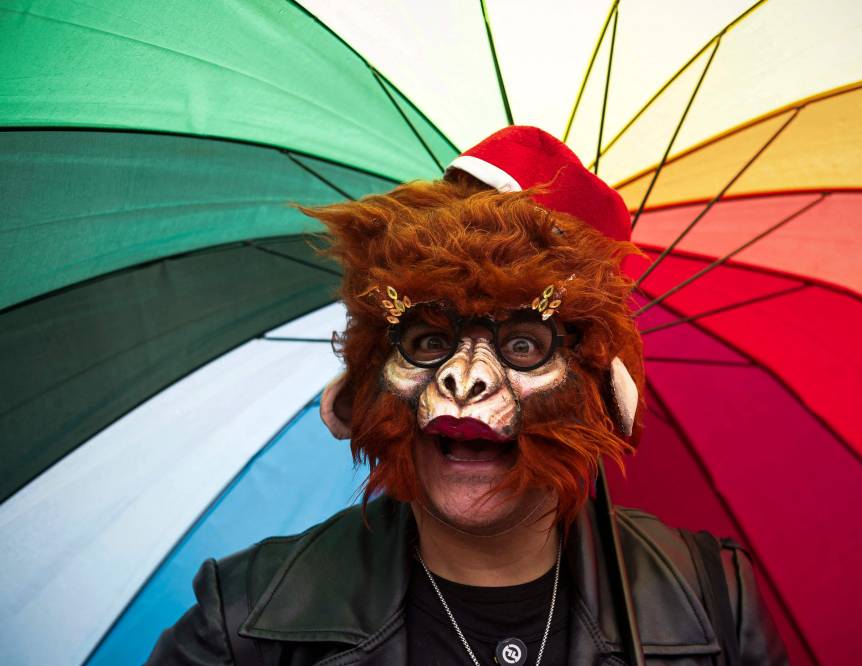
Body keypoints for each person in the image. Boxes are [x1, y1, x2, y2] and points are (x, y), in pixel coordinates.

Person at [148, 126, 788, 665]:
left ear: (599, 382)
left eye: (524, 344)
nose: (465, 378)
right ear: (367, 378)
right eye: (428, 340)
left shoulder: (711, 601)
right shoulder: (244, 624)